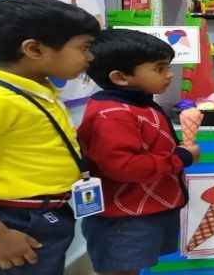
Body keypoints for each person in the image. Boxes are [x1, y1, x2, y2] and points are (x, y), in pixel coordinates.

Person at [0, 0, 100, 274]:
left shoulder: (37, 88)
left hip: (47, 212)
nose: (90, 57)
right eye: (84, 47)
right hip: (14, 219)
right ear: (34, 49)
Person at [77, 29, 201, 275]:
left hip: (146, 208)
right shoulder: (113, 114)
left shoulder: (139, 104)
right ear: (121, 77)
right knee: (120, 269)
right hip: (124, 215)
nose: (169, 74)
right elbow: (124, 167)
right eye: (159, 68)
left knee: (132, 267)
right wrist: (181, 158)